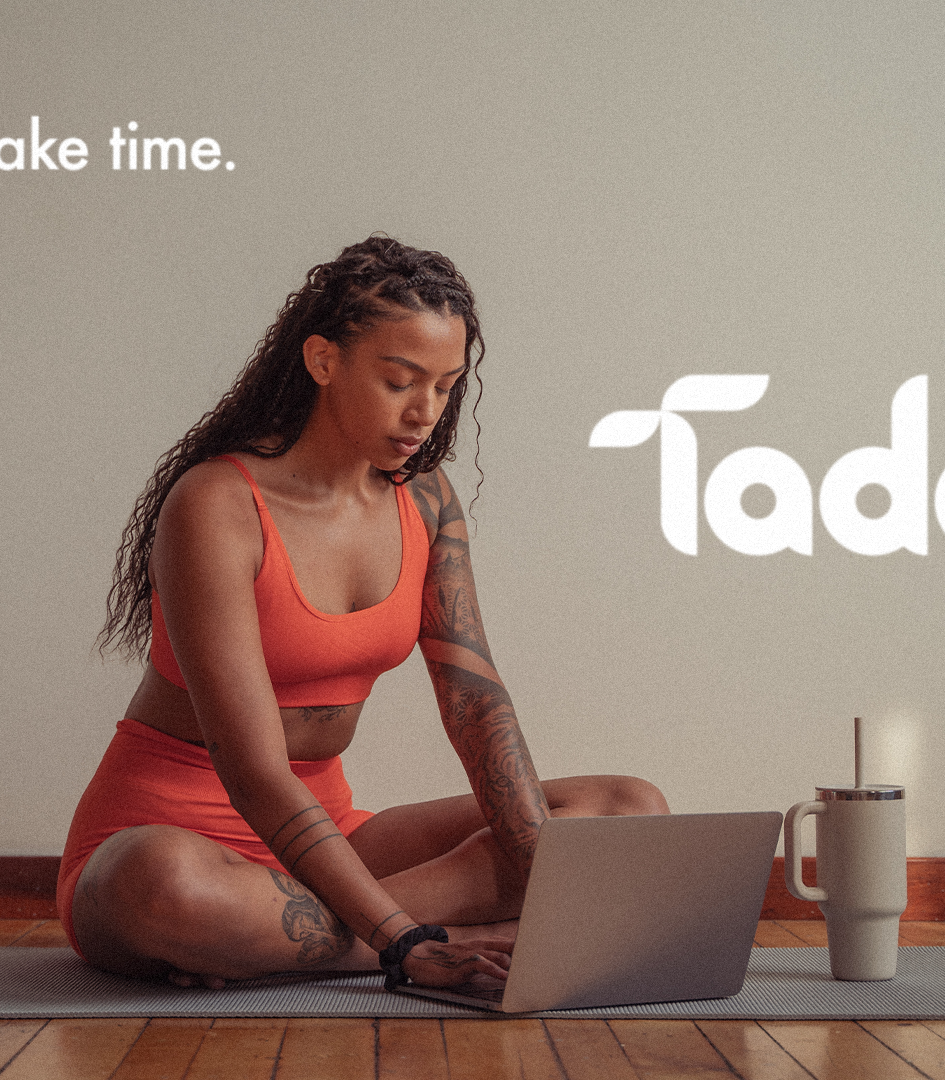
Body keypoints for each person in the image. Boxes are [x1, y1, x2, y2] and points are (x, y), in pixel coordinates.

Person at [58, 236, 667, 991]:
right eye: (399, 380)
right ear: (322, 360)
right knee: (161, 888)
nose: (424, 412)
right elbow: (252, 773)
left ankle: (268, 944)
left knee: (625, 809)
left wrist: (549, 877)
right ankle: (419, 935)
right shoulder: (217, 506)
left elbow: (474, 701)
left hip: (334, 840)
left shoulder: (426, 498)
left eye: (445, 386)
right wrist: (402, 943)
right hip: (177, 841)